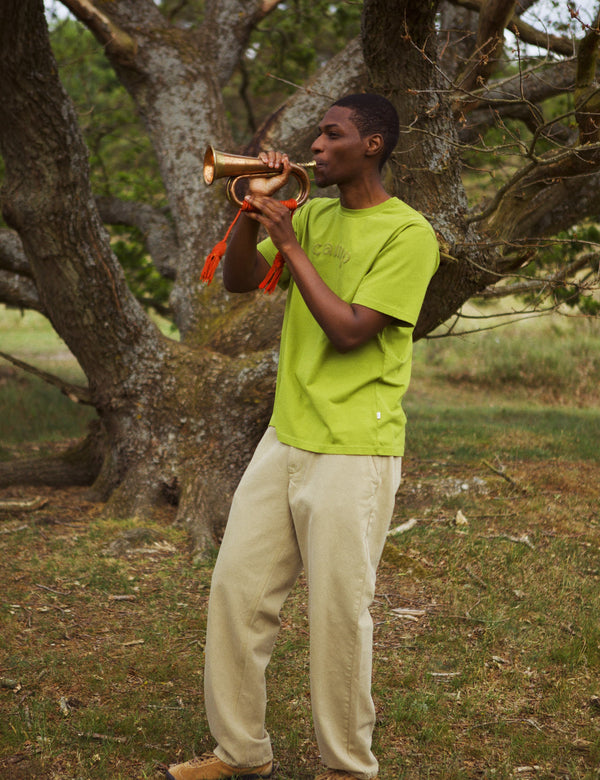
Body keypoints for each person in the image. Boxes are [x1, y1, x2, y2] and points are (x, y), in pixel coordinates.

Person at [166, 93, 440, 780]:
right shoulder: (311, 214)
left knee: (339, 615)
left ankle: (346, 768)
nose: (315, 146)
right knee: (236, 592)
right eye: (317, 135)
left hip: (354, 449)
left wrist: (289, 243)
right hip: (285, 437)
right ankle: (240, 753)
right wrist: (252, 211)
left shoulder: (409, 234)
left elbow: (350, 331)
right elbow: (238, 280)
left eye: (331, 134)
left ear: (372, 145)